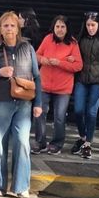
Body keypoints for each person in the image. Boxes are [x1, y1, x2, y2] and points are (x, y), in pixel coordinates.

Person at [0, 11, 43, 198]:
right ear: (0, 29)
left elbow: (37, 77)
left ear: (18, 29)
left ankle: (21, 186)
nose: (9, 29)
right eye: (5, 25)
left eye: (12, 25)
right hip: (1, 103)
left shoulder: (27, 48)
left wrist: (38, 103)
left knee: (22, 143)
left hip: (24, 104)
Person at [32, 15, 82, 155]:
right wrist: (43, 60)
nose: (59, 29)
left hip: (63, 88)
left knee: (59, 117)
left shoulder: (73, 43)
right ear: (53, 27)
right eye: (57, 26)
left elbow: (78, 66)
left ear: (67, 28)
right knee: (39, 113)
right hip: (44, 84)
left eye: (62, 27)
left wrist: (60, 63)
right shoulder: (48, 39)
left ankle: (56, 144)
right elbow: (36, 55)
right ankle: (40, 143)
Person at [72, 11, 99, 160]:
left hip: (98, 82)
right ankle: (83, 137)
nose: (90, 28)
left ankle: (87, 144)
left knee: (91, 112)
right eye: (88, 25)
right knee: (78, 110)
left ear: (98, 25)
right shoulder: (79, 39)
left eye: (93, 25)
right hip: (81, 80)